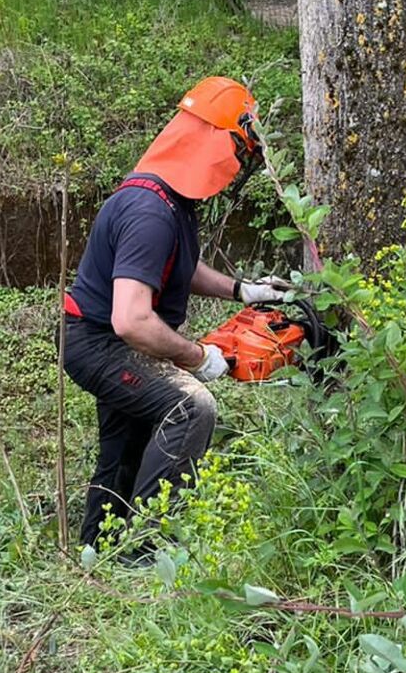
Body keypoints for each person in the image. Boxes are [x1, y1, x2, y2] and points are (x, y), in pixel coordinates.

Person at [61, 76, 288, 553]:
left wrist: (241, 290)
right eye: (238, 150)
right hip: (103, 341)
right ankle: (145, 551)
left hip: (98, 337)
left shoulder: (168, 199)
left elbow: (171, 267)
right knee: (191, 407)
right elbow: (132, 320)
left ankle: (97, 551)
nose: (239, 164)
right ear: (214, 142)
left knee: (126, 442)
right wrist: (197, 356)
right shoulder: (151, 212)